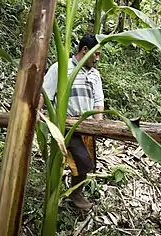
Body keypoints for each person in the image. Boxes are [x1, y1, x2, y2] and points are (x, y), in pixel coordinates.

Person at [38, 34, 104, 211]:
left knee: (89, 162)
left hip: (87, 126)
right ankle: (68, 195)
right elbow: (46, 92)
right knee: (82, 161)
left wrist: (100, 127)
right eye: (96, 54)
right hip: (67, 124)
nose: (98, 59)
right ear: (84, 50)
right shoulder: (60, 67)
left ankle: (75, 192)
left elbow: (98, 101)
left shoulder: (95, 74)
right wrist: (37, 112)